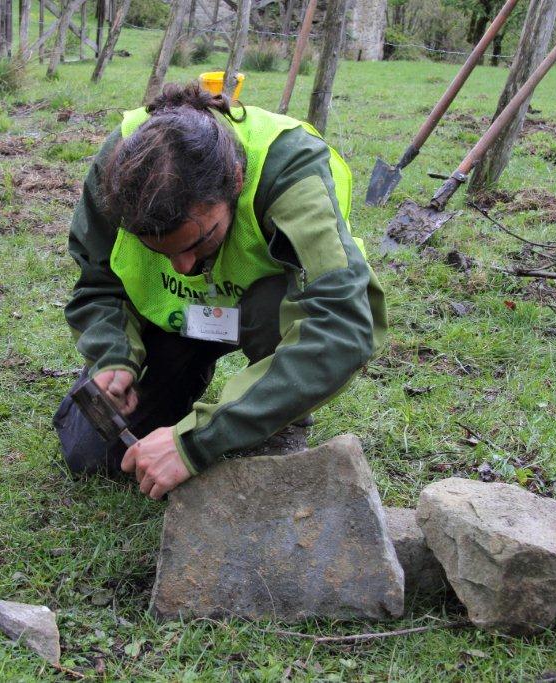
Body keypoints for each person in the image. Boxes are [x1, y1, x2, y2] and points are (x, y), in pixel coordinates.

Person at [54, 82, 386, 500]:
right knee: (92, 454)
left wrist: (197, 440)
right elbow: (97, 281)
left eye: (198, 242)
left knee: (277, 310)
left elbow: (345, 323)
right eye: (160, 251)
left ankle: (276, 415)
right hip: (175, 320)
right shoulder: (120, 165)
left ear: (236, 178)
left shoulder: (289, 168)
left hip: (264, 318)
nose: (184, 267)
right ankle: (184, 375)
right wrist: (112, 356)